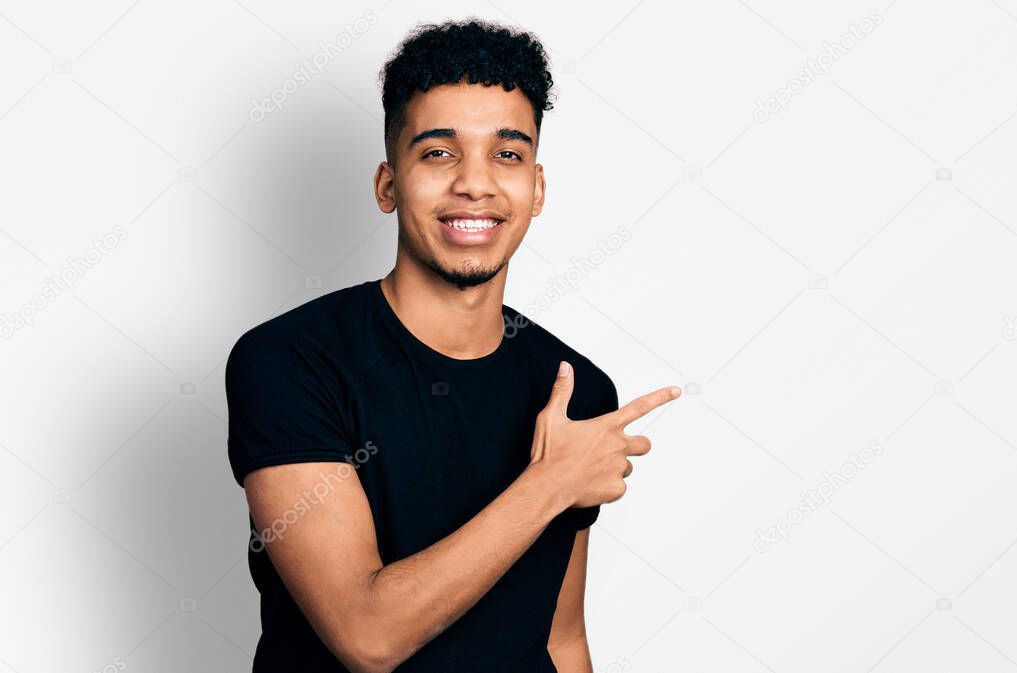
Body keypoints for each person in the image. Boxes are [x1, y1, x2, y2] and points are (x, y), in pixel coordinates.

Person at [225, 17, 680, 673]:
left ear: (537, 188)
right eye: (438, 152)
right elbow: (367, 634)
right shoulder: (289, 362)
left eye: (508, 154)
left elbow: (561, 636)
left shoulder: (574, 387)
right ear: (388, 184)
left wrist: (562, 480)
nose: (475, 182)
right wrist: (550, 483)